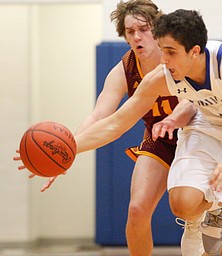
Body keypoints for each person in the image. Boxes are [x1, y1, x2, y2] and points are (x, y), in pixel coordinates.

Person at [14, 1, 193, 256]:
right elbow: (100, 115)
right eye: (130, 31)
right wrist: (65, 152)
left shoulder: (176, 55)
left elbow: (193, 101)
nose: (137, 36)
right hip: (159, 137)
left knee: (191, 208)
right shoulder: (125, 69)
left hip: (196, 133)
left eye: (143, 29)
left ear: (157, 28)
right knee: (136, 210)